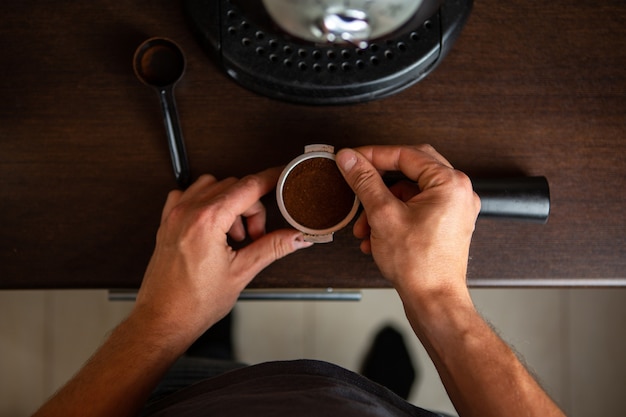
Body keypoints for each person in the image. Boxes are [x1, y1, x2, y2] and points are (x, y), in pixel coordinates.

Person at [32, 145, 565, 417]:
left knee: (202, 360)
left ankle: (209, 346)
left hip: (187, 400)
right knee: (366, 396)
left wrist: (162, 324)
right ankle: (382, 393)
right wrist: (438, 298)